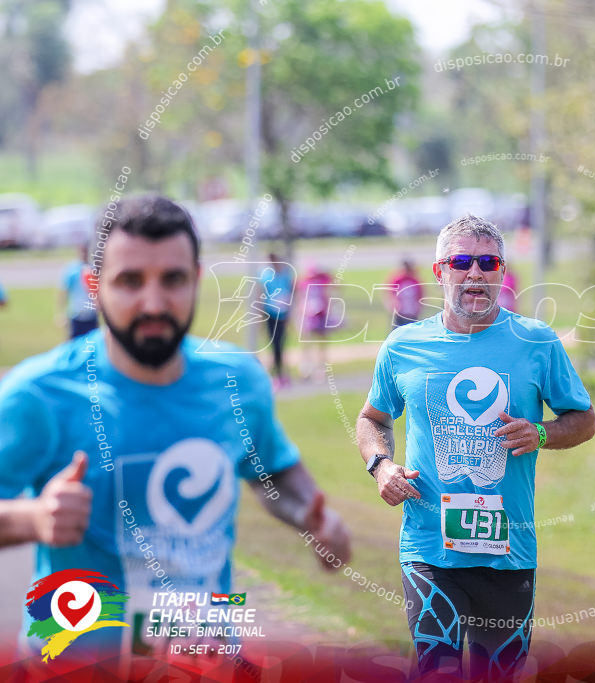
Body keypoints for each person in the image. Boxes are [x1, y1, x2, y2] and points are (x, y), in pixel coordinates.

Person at [0, 195, 351, 661]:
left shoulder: (237, 382)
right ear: (93, 286)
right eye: (129, 281)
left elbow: (273, 470)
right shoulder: (40, 394)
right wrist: (34, 518)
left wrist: (314, 517)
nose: (154, 303)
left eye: (173, 279)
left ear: (197, 280)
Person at [356, 215, 595, 681]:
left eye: (487, 262)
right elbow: (372, 419)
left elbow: (584, 420)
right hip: (429, 548)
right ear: (439, 271)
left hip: (508, 553)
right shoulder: (404, 346)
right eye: (462, 262)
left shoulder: (536, 342)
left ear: (502, 272)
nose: (475, 274)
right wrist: (381, 466)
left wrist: (541, 433)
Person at [260, 254, 294, 387]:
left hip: (283, 314)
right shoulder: (266, 276)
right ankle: (278, 373)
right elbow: (263, 295)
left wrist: (290, 312)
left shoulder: (286, 275)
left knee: (280, 344)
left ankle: (280, 373)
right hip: (270, 314)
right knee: (274, 344)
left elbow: (291, 293)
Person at [296, 261, 333, 380]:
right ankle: (307, 368)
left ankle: (319, 368)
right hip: (309, 316)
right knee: (308, 344)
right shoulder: (305, 283)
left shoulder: (321, 281)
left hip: (319, 315)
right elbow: (300, 300)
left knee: (319, 344)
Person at [59, 244, 100, 339]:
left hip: (91, 314)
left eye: (86, 251)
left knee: (92, 345)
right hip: (76, 314)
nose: (84, 254)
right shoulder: (72, 270)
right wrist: (61, 313)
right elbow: (64, 292)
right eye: (82, 251)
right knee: (74, 344)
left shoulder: (93, 269)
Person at [388, 259, 423, 328]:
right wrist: (394, 305)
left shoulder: (414, 280)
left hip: (412, 312)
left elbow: (420, 295)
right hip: (400, 312)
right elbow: (391, 294)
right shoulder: (398, 280)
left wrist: (419, 306)